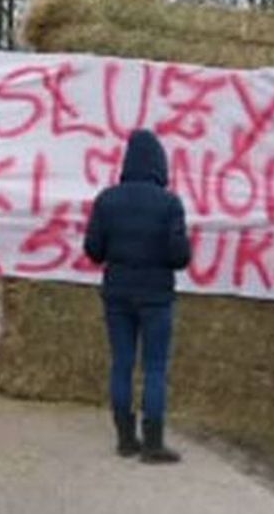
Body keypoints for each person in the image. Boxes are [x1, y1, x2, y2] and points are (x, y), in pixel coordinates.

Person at [84, 128, 191, 464]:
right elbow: (179, 257)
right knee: (155, 367)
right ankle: (154, 443)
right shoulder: (170, 203)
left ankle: (125, 438)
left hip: (117, 292)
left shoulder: (107, 199)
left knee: (122, 364)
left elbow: (93, 251)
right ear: (160, 163)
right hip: (157, 296)